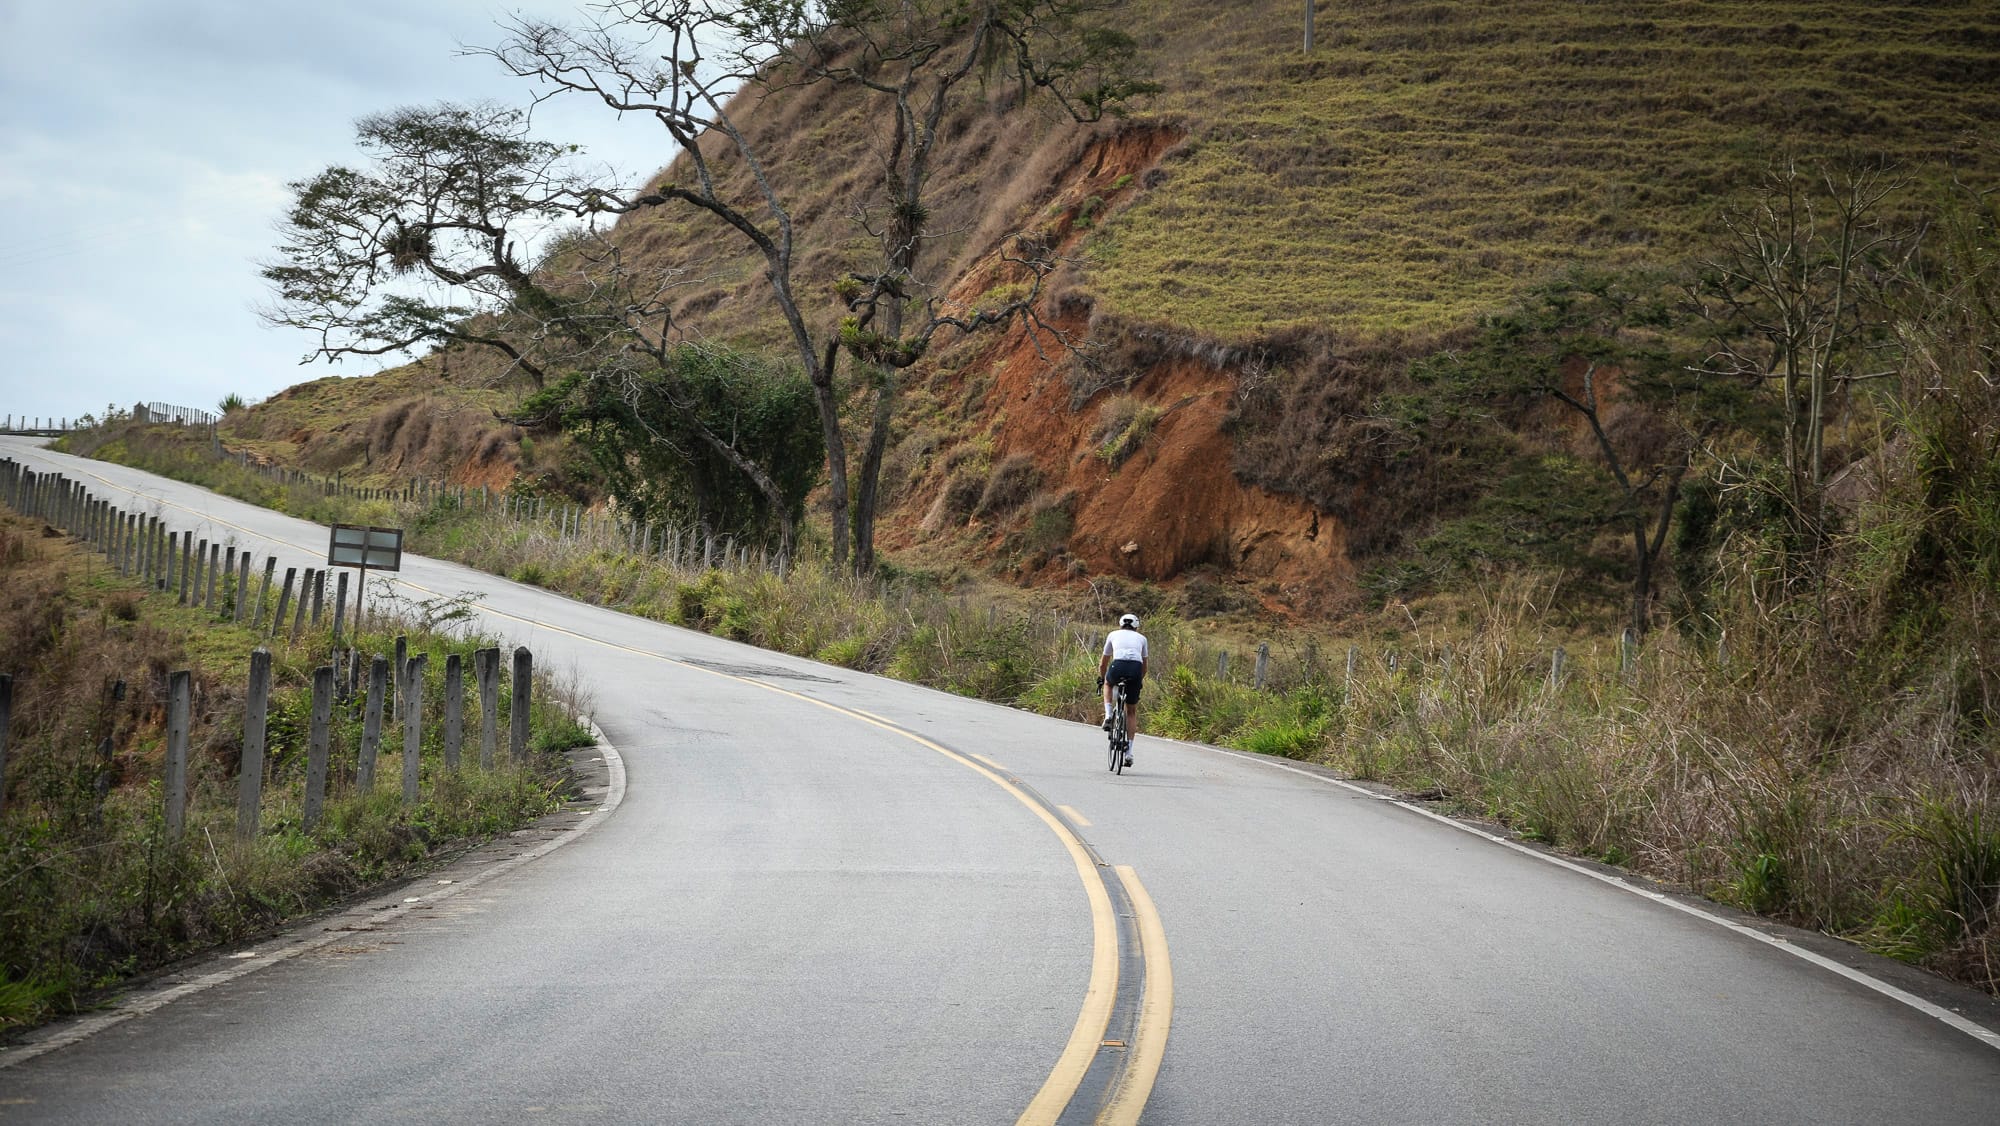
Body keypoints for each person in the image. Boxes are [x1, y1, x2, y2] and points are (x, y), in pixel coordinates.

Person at [1097, 612, 1148, 768]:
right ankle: (1129, 753)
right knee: (1131, 712)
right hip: (1135, 669)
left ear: (1120, 624)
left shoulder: (1113, 634)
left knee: (1107, 683)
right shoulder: (1142, 638)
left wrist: (1102, 678)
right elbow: (1144, 667)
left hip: (1117, 665)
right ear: (1136, 627)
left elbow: (1103, 664)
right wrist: (1138, 681)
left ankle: (1108, 715)